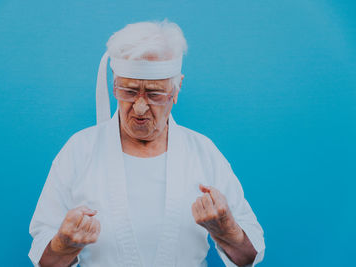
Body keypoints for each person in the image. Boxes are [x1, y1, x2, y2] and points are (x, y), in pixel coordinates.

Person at [29, 20, 265, 267]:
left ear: (176, 89)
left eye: (154, 94)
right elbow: (45, 260)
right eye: (129, 92)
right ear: (114, 85)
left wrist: (227, 231)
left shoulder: (203, 153)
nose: (140, 108)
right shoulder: (79, 151)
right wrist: (62, 246)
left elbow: (249, 256)